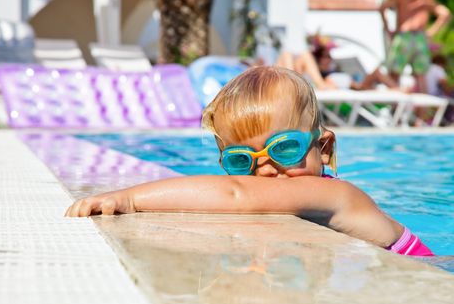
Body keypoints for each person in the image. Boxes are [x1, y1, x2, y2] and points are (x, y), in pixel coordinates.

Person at [65, 66, 433, 257]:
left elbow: (235, 195)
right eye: (243, 160)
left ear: (323, 148)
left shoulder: (336, 197)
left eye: (284, 148)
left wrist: (130, 199)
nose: (266, 169)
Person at [379, 0, 451, 93]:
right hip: (420, 39)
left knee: (394, 74)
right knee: (420, 77)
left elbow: (382, 7)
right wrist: (431, 32)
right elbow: (445, 14)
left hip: (405, 36)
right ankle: (422, 107)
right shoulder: (425, 1)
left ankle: (394, 105)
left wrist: (387, 28)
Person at [312, 45, 400, 90]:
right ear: (319, 59)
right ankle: (397, 90)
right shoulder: (319, 75)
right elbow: (328, 86)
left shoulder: (333, 70)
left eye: (329, 56)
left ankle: (396, 89)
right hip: (355, 90)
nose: (329, 59)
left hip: (355, 88)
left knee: (377, 73)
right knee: (376, 72)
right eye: (326, 56)